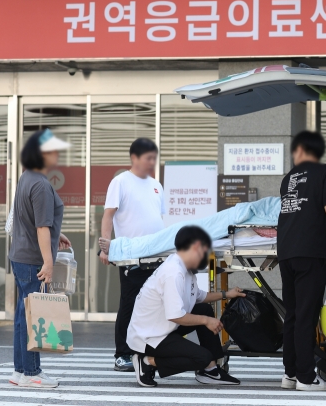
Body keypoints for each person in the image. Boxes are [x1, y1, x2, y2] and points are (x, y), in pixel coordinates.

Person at [126, 225, 245, 387]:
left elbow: (199, 297)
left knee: (205, 310)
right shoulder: (173, 272)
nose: (206, 257)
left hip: (163, 327)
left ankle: (211, 370)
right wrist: (206, 321)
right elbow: (176, 315)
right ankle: (147, 362)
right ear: (196, 247)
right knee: (201, 357)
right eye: (205, 251)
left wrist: (226, 294)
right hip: (148, 337)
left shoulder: (186, 269)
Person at [8, 129, 72, 389]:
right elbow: (42, 227)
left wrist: (58, 233)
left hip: (20, 255)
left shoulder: (27, 177)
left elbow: (35, 219)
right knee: (33, 316)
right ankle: (31, 372)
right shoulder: (42, 185)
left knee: (23, 315)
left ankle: (20, 370)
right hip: (33, 258)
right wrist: (48, 262)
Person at [277, 131, 326, 392]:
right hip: (310, 251)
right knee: (306, 316)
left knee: (292, 315)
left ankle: (290, 374)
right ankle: (306, 377)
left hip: (286, 251)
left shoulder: (288, 178)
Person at [99, 138, 166, 372]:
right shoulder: (120, 182)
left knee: (156, 304)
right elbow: (108, 216)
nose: (151, 162)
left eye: (153, 158)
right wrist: (106, 247)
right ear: (134, 158)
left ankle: (149, 350)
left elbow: (158, 219)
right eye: (148, 157)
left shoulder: (157, 185)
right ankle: (122, 354)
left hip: (157, 256)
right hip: (132, 257)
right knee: (130, 302)